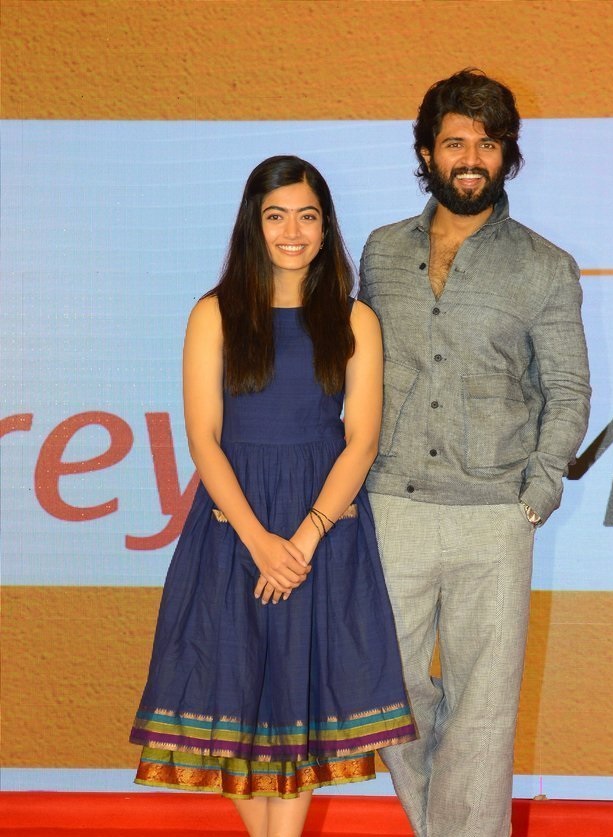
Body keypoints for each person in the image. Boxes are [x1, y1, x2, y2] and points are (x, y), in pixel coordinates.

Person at [130, 155, 415, 837]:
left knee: (300, 708)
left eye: (307, 216)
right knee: (229, 694)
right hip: (233, 526)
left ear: (325, 228)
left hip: (324, 526)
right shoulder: (214, 313)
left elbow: (361, 440)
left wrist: (306, 538)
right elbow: (203, 437)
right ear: (253, 226)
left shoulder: (356, 321)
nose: (293, 230)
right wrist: (260, 541)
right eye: (276, 215)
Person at [359, 69, 591, 837]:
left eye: (486, 144)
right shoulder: (381, 252)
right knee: (380, 687)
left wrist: (539, 490)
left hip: (495, 514)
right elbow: (357, 369)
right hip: (393, 503)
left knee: (484, 712)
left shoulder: (543, 266)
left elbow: (566, 388)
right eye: (454, 141)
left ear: (506, 156)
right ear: (425, 152)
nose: (470, 157)